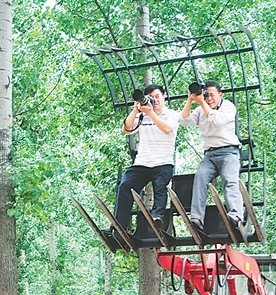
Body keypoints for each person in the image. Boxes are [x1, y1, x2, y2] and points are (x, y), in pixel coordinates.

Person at [105, 84, 180, 236]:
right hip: (142, 162)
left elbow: (167, 129)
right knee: (125, 186)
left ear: (164, 97)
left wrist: (151, 113)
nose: (155, 100)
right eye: (151, 97)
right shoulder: (142, 116)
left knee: (160, 187)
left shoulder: (171, 114)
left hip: (163, 162)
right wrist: (136, 109)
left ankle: (157, 217)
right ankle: (119, 226)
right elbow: (126, 129)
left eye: (157, 96)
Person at [180, 80, 246, 239]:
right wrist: (190, 99)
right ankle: (196, 219)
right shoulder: (200, 109)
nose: (208, 98)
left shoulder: (228, 106)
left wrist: (202, 102)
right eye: (205, 95)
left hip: (228, 151)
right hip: (209, 155)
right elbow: (184, 121)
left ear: (220, 94)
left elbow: (216, 121)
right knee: (200, 180)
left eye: (211, 95)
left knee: (230, 180)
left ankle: (236, 215)